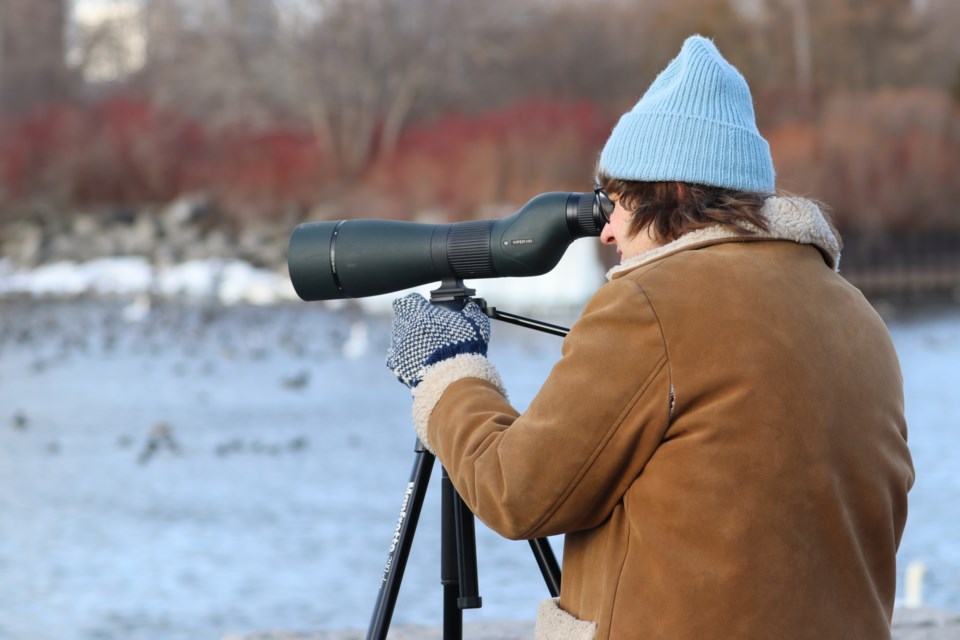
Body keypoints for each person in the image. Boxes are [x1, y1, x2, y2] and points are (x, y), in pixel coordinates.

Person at [386, 35, 914, 640]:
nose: (606, 231)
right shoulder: (857, 316)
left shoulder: (651, 302)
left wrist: (450, 373)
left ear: (676, 192)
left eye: (616, 202)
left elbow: (518, 492)